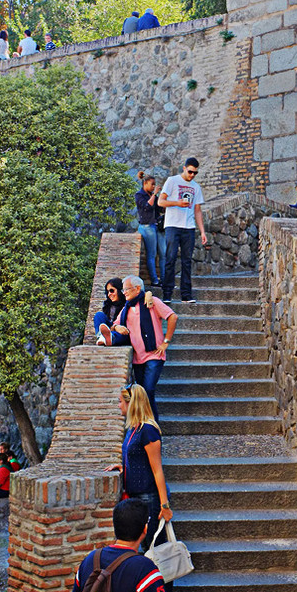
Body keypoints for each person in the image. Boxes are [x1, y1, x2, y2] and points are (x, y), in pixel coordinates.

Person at [105, 382, 173, 559]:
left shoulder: (148, 431)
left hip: (149, 497)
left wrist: (164, 506)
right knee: (146, 546)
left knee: (155, 547)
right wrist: (125, 467)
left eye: (120, 401)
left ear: (131, 403)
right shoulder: (133, 429)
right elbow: (137, 456)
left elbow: (157, 469)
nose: (118, 405)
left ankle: (164, 585)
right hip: (137, 497)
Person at [101, 275, 177, 424]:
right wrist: (117, 326)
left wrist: (166, 341)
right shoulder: (127, 308)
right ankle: (145, 426)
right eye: (123, 290)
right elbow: (113, 325)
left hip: (154, 355)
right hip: (138, 358)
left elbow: (173, 317)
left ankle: (152, 428)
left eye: (126, 289)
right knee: (141, 395)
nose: (124, 293)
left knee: (148, 391)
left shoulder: (152, 302)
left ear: (137, 289)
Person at [159, 158, 208, 304]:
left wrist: (203, 232)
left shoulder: (196, 187)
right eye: (190, 171)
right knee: (170, 259)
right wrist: (177, 203)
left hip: (189, 227)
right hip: (173, 226)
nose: (192, 175)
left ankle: (186, 295)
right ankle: (167, 294)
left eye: (195, 173)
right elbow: (160, 202)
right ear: (184, 168)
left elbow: (198, 210)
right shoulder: (172, 181)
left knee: (187, 262)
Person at [136, 175, 166, 286]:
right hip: (147, 226)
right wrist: (154, 194)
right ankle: (154, 280)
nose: (154, 186)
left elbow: (159, 209)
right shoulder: (139, 195)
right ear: (145, 183)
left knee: (163, 253)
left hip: (157, 226)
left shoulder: (153, 196)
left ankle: (164, 279)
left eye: (154, 184)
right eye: (152, 184)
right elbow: (146, 207)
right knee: (152, 254)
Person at [94, 277, 126, 345]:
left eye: (111, 291)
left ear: (120, 290)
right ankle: (101, 336)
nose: (109, 294)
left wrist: (148, 294)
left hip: (120, 331)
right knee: (99, 315)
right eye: (107, 292)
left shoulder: (127, 304)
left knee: (122, 334)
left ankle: (109, 338)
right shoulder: (108, 305)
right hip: (110, 329)